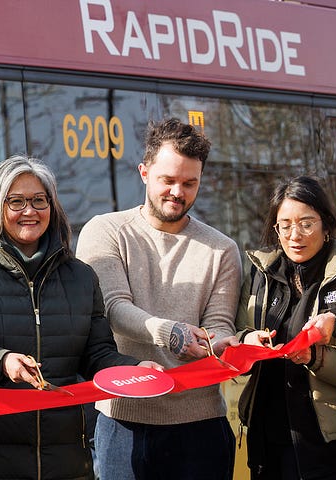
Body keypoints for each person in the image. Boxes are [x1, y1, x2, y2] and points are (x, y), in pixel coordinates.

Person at [0, 155, 159, 479]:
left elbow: (97, 354)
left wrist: (135, 369)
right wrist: (1, 361)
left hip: (66, 462)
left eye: (40, 200)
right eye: (17, 201)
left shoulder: (81, 277)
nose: (30, 211)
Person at [76, 118, 243, 480]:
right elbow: (113, 309)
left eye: (189, 183)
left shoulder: (222, 249)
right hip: (122, 419)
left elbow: (219, 324)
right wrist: (172, 333)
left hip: (202, 424)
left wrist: (220, 344)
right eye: (168, 180)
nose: (177, 192)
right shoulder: (104, 231)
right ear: (144, 173)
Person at [234, 176, 336, 478]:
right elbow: (236, 334)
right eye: (284, 225)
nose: (294, 235)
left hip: (332, 446)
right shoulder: (262, 273)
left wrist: (316, 357)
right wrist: (248, 341)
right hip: (269, 440)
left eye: (306, 223)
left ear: (326, 225)